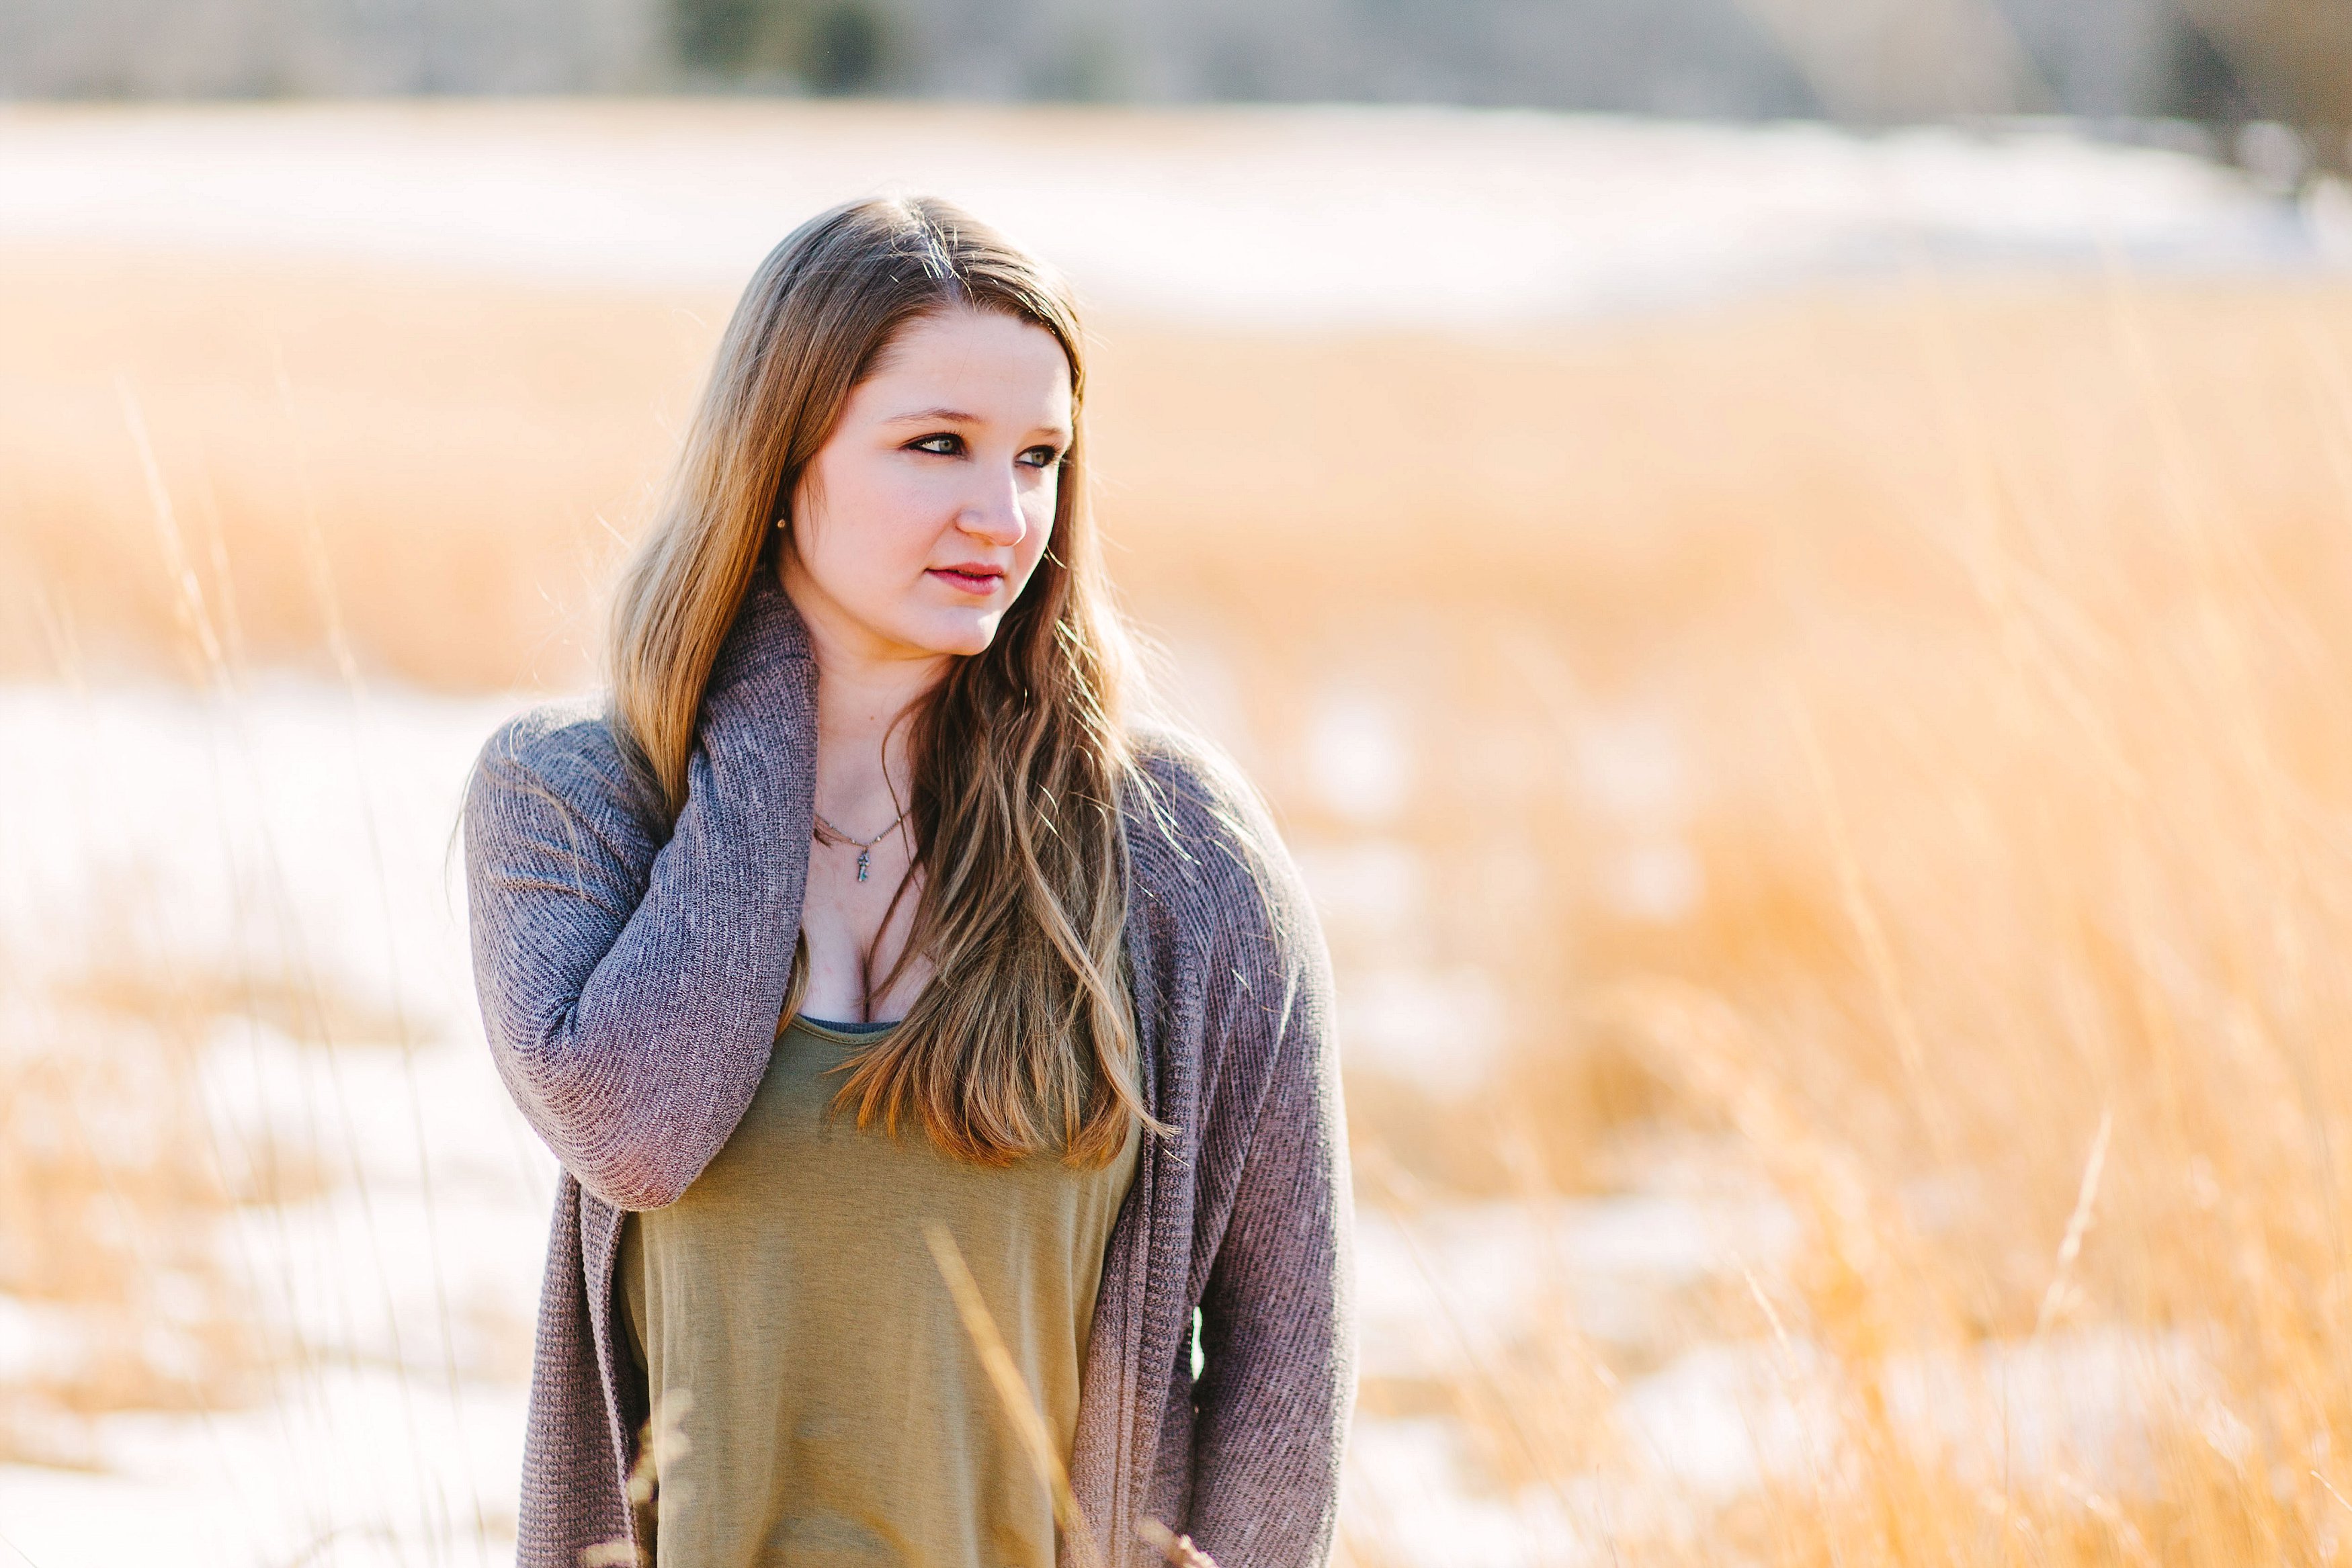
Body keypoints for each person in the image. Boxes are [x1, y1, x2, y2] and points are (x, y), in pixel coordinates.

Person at [459, 193, 1355, 1568]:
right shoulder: (577, 802)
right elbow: (640, 1124)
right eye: (935, 446)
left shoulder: (1173, 853)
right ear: (778, 459)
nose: (1001, 515)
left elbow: (1285, 1344)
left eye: (1040, 457)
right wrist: (768, 702)